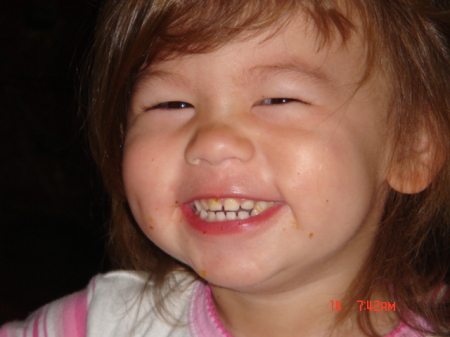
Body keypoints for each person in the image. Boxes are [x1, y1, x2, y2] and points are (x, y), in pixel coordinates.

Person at [1, 0, 449, 336]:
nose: (212, 141)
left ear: (411, 148)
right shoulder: (99, 323)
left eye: (278, 99)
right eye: (169, 103)